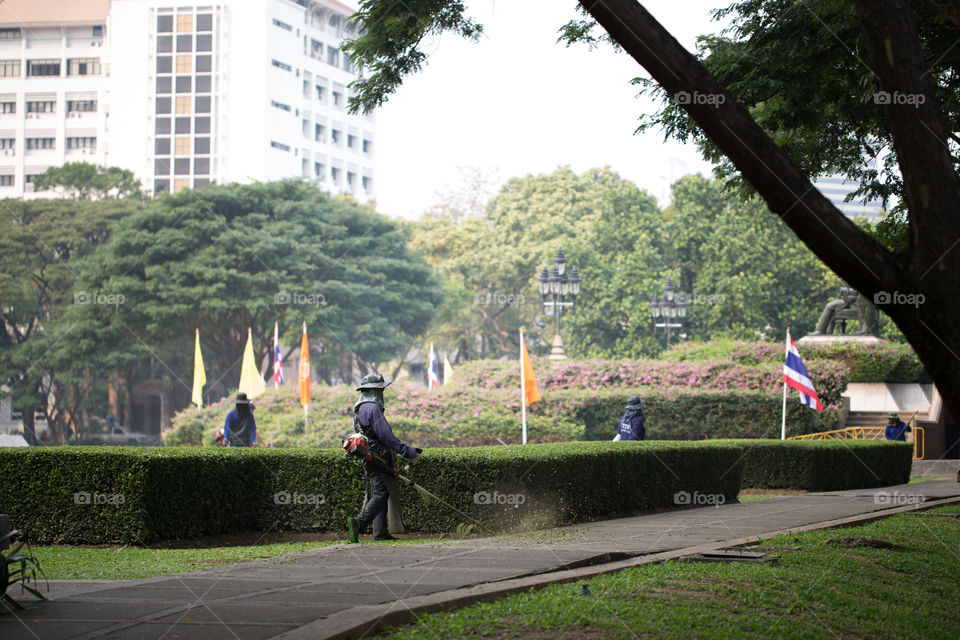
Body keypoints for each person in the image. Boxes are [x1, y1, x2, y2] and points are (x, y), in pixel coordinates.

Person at [347, 372, 421, 543]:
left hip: (369, 456)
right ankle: (358, 522)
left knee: (380, 492)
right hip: (379, 456)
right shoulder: (372, 408)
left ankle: (380, 533)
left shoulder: (359, 408)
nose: (382, 393)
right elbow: (386, 436)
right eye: (381, 390)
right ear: (374, 391)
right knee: (381, 494)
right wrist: (408, 452)